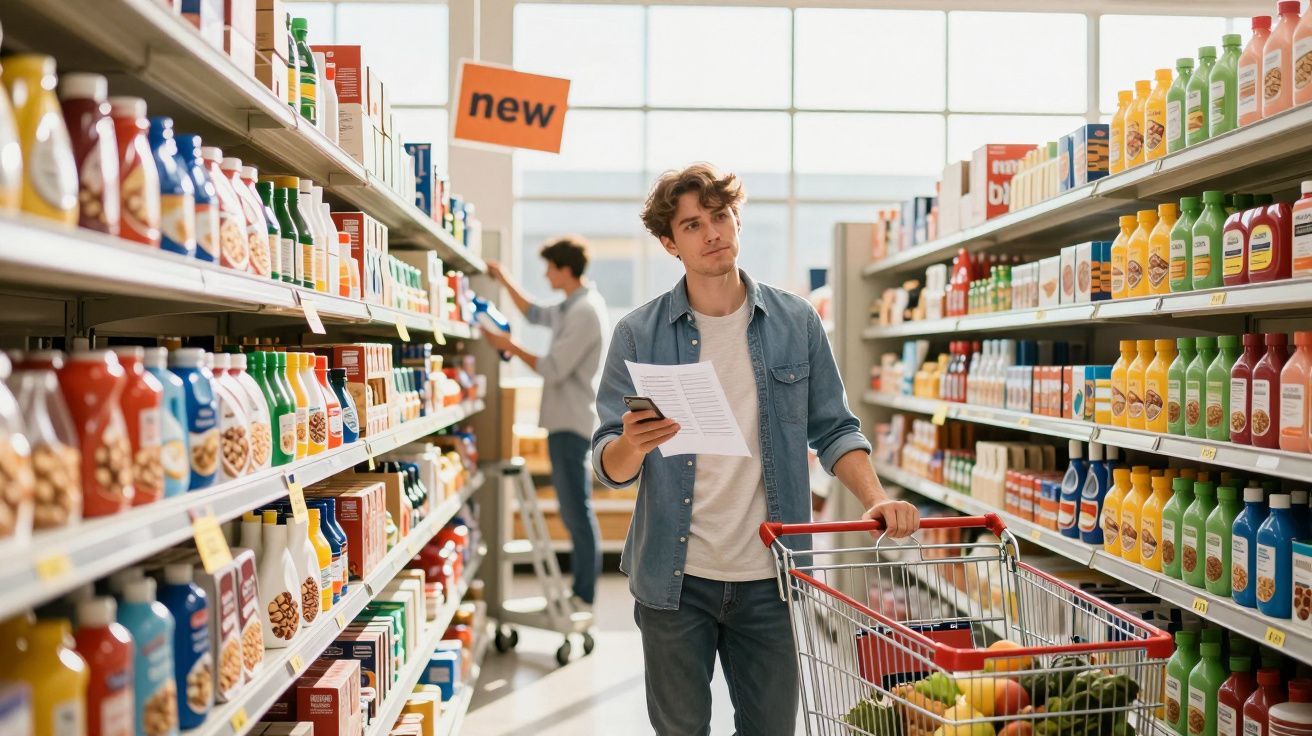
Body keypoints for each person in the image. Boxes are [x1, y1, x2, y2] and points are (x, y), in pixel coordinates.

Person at [592, 163, 920, 735]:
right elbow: (607, 466)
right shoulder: (637, 334)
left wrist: (875, 497)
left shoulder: (796, 323)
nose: (712, 232)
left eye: (720, 216)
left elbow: (835, 428)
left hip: (772, 576)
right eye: (692, 225)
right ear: (670, 243)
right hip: (675, 581)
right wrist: (632, 445)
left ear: (736, 220)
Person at [483, 236, 609, 608]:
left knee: (576, 512)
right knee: (574, 511)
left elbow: (553, 369)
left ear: (565, 269)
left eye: (549, 268)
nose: (545, 274)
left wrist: (507, 344)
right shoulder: (572, 305)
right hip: (562, 422)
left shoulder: (585, 312)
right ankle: (581, 593)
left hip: (571, 425)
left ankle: (583, 595)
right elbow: (535, 313)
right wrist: (504, 279)